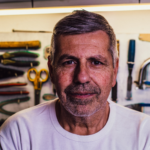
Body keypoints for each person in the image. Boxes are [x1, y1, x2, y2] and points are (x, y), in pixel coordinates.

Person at [0, 10, 150, 150]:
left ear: (114, 70)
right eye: (69, 62)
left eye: (96, 62)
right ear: (51, 70)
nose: (82, 77)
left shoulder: (144, 135)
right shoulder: (18, 133)